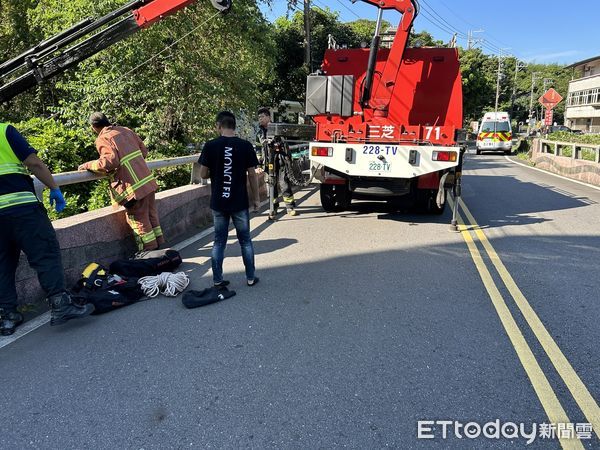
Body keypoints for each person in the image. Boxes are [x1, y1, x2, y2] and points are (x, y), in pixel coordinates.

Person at [0, 123, 94, 335]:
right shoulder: (4, 131)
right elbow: (34, 163)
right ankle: (60, 304)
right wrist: (54, 187)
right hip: (22, 209)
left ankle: (7, 316)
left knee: (2, 263)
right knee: (45, 252)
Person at [78, 112, 164, 252]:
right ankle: (161, 247)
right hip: (147, 182)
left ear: (94, 127)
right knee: (151, 214)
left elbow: (110, 162)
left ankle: (150, 253)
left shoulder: (103, 138)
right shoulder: (126, 130)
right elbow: (144, 151)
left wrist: (87, 165)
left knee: (139, 219)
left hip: (132, 188)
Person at [199, 111, 260, 287]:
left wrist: (217, 170)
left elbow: (203, 173)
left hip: (219, 202)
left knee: (219, 242)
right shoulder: (245, 145)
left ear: (219, 126)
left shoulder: (210, 146)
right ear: (234, 126)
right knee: (245, 241)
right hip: (239, 202)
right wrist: (256, 199)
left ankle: (217, 280)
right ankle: (250, 278)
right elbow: (252, 175)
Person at [256, 107, 297, 216]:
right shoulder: (259, 133)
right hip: (268, 163)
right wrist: (259, 164)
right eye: (259, 117)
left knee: (284, 184)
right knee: (271, 185)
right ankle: (273, 207)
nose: (260, 119)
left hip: (281, 160)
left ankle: (290, 207)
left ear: (269, 117)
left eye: (262, 117)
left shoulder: (278, 128)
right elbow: (258, 150)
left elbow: (285, 144)